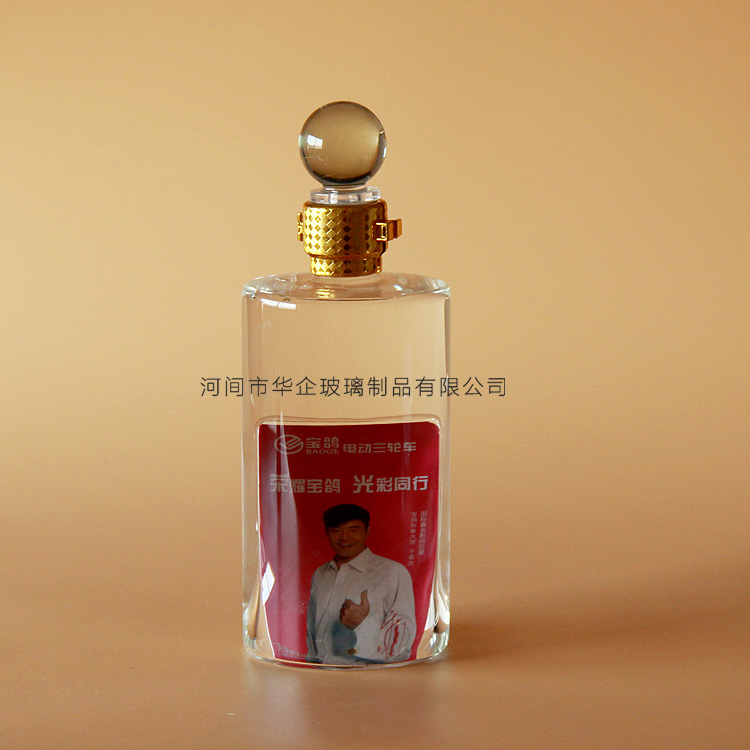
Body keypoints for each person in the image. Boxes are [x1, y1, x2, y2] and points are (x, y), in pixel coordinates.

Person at [306, 503, 417, 664]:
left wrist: (361, 623)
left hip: (371, 671)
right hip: (321, 672)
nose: (344, 538)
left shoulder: (392, 572)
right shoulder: (320, 573)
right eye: (336, 530)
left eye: (353, 530)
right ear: (326, 533)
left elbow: (402, 642)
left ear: (367, 531)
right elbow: (312, 630)